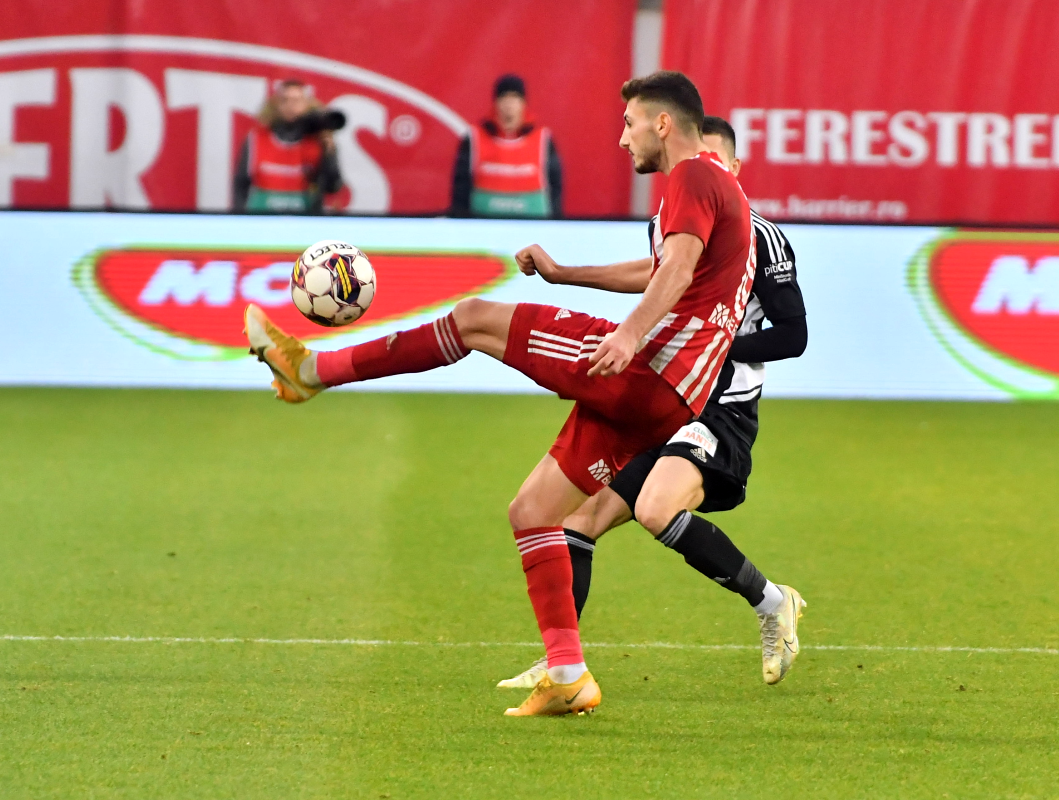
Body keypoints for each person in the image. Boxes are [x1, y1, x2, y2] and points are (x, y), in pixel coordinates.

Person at [244, 71, 771, 717]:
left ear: (663, 124)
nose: (621, 136)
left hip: (645, 370)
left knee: (473, 320)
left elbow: (680, 269)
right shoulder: (724, 189)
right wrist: (565, 274)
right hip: (672, 397)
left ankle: (311, 371)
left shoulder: (691, 177)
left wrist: (631, 337)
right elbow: (667, 269)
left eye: (630, 122)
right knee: (533, 511)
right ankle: (568, 674)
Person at [498, 116, 809, 691]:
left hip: (719, 409)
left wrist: (710, 342)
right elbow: (654, 275)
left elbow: (794, 335)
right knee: (578, 520)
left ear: (733, 170)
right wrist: (565, 275)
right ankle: (562, 661)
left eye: (715, 161)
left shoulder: (761, 236)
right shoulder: (670, 220)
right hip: (661, 397)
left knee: (655, 509)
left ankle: (771, 603)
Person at [450, 74, 564, 218]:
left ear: (523, 103)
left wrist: (555, 224)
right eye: (504, 97)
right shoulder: (474, 139)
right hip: (483, 229)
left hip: (534, 228)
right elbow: (461, 189)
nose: (509, 104)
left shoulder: (543, 140)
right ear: (496, 102)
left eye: (515, 98)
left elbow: (555, 190)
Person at [232, 79, 343, 214]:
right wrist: (240, 217)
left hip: (304, 219)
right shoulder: (257, 138)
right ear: (277, 105)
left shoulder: (317, 142)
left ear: (307, 105)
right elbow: (241, 184)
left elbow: (332, 186)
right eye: (285, 100)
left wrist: (329, 153)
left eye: (297, 101)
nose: (291, 106)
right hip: (263, 218)